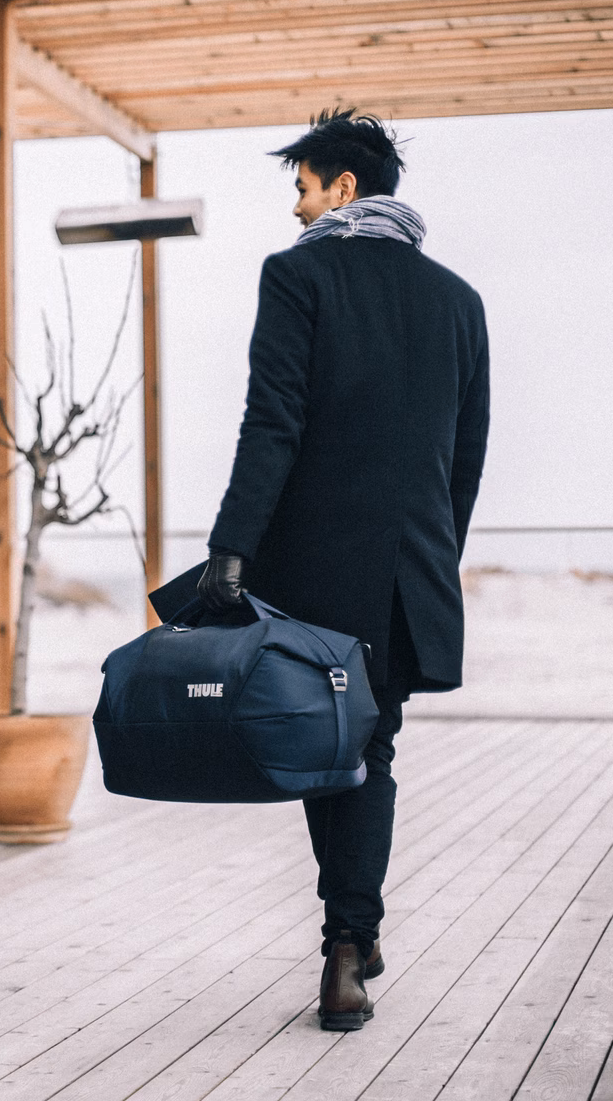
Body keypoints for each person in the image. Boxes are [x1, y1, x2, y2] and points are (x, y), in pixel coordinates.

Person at [198, 109, 489, 1031]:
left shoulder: (297, 276)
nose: (295, 207)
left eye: (303, 186)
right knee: (370, 749)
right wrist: (437, 552)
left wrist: (231, 550)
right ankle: (350, 941)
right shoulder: (458, 300)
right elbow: (467, 455)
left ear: (344, 189)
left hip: (318, 572)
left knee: (335, 753)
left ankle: (345, 941)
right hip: (409, 573)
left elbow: (271, 421)